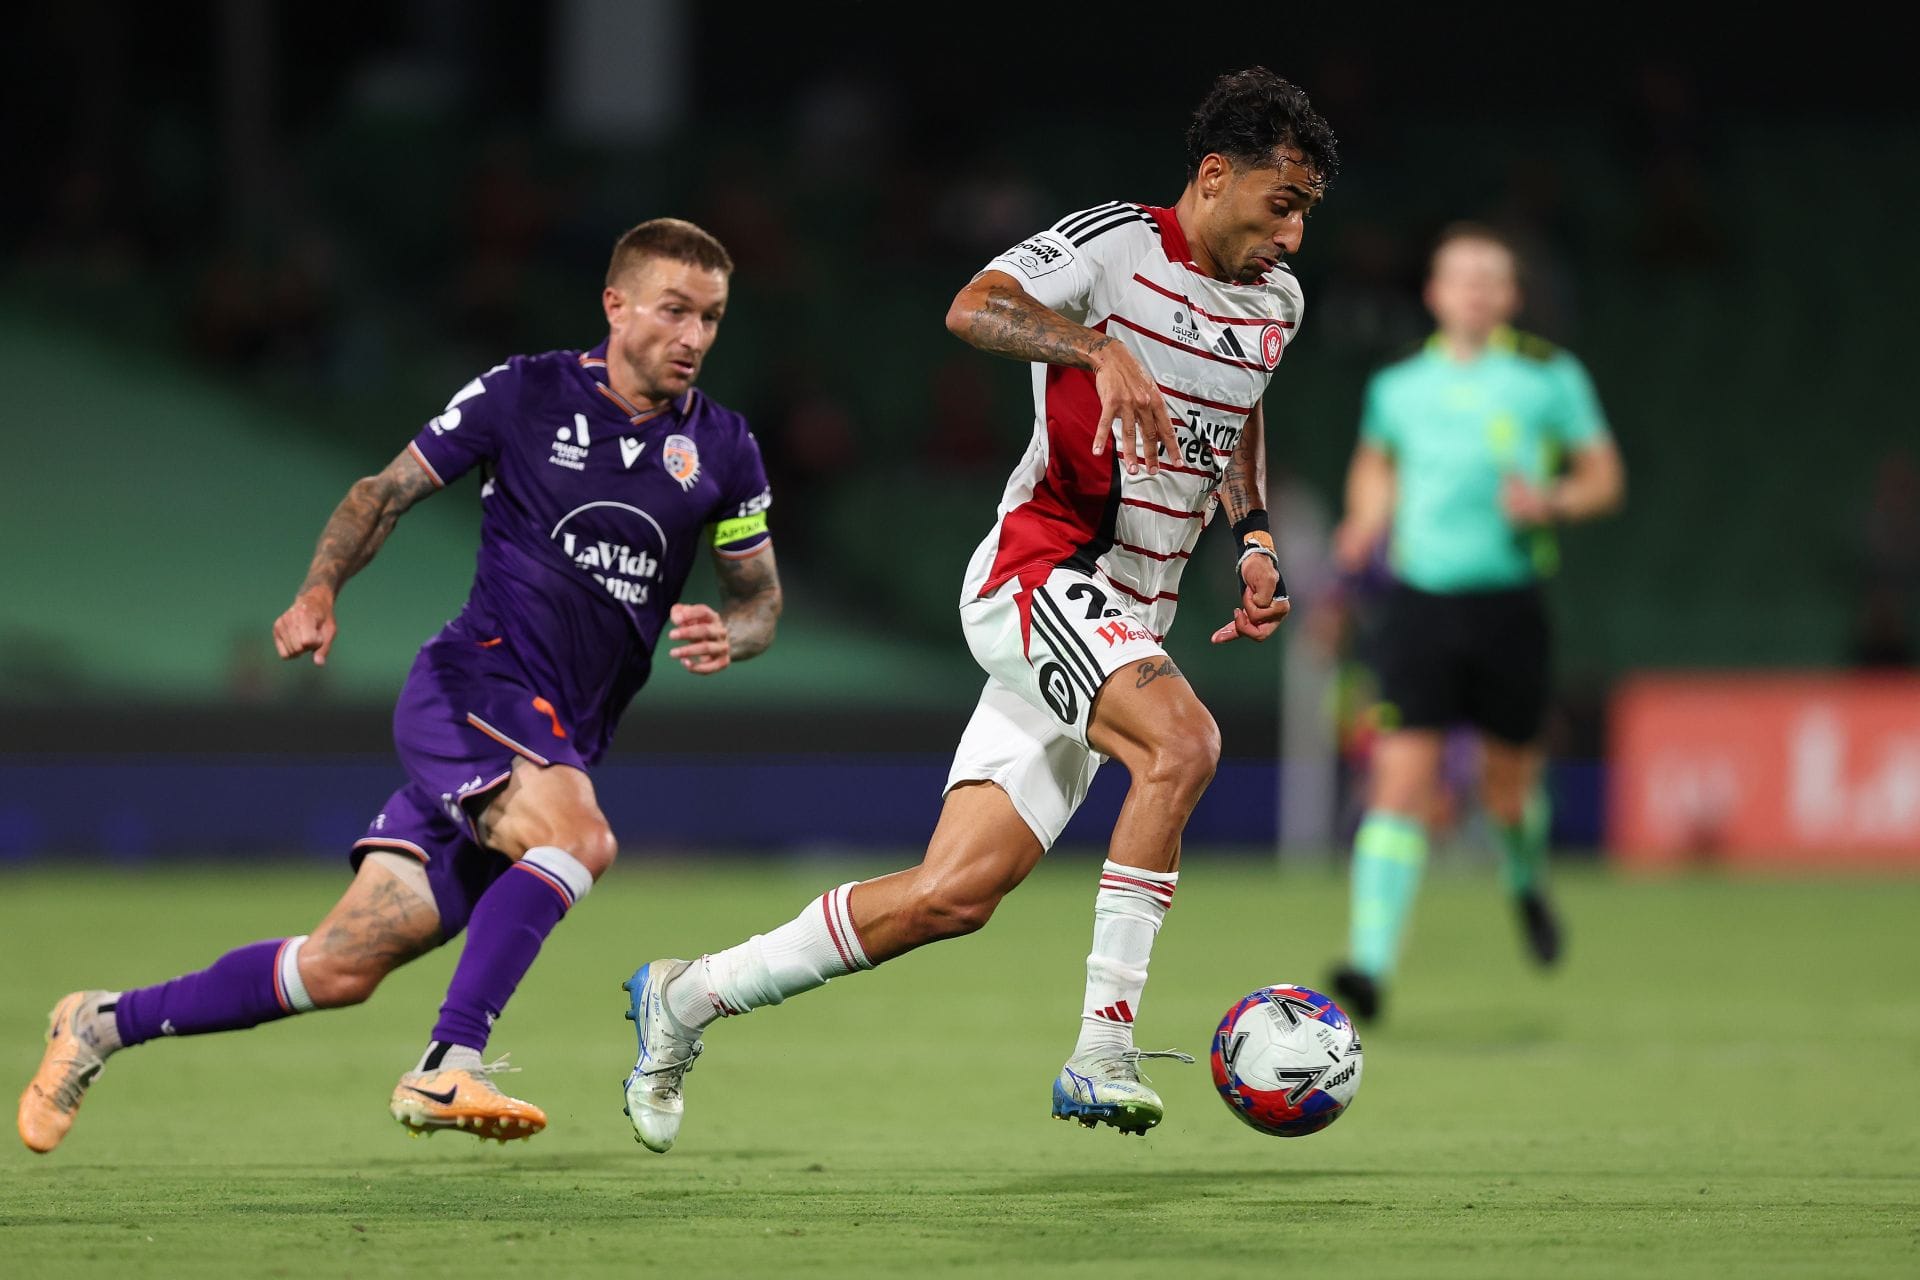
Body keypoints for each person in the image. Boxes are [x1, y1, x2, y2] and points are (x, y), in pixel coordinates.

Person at [615, 68, 1339, 1152]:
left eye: (1308, 214)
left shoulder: (1275, 303)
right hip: (1038, 573)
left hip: (1125, 622)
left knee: (953, 895)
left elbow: (1237, 409)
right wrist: (1098, 345)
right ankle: (1102, 1049)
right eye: (1283, 204)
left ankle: (687, 995)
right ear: (1214, 175)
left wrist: (1256, 535)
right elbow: (973, 306)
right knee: (1184, 744)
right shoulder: (1114, 246)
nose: (1294, 235)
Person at [18, 218, 782, 1153]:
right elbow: (383, 493)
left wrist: (732, 634)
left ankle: (97, 1023)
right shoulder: (524, 392)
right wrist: (319, 589)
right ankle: (446, 1061)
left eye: (710, 318)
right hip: (476, 687)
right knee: (581, 837)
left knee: (338, 967)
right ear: (615, 305)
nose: (694, 337)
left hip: (553, 743)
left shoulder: (725, 450)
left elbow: (758, 598)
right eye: (674, 311)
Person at [1325, 223, 1625, 1023]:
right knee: (1401, 781)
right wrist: (1362, 523)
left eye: (1491, 280)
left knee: (1506, 791)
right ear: (1435, 293)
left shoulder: (1548, 378)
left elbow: (1603, 477)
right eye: (1461, 279)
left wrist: (1553, 499)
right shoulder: (1398, 389)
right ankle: (1368, 965)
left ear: (1511, 296)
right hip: (1421, 604)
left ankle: (1524, 881)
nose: (1476, 293)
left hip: (1510, 605)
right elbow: (1376, 462)